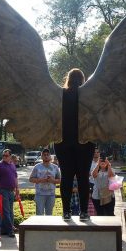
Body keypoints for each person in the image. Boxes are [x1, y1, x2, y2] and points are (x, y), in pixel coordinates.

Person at [54, 68, 95, 221]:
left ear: (68, 79)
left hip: (62, 141)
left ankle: (66, 212)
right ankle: (84, 212)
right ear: (82, 79)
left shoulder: (60, 95)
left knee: (66, 177)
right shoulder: (88, 96)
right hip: (85, 141)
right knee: (83, 177)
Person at [0, 149, 19, 238]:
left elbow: (15, 178)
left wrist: (17, 190)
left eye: (6, 156)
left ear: (10, 156)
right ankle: (10, 230)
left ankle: (4, 230)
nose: (4, 157)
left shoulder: (12, 165)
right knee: (6, 211)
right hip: (2, 190)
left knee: (10, 211)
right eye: (3, 156)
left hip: (11, 191)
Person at [29, 148, 61, 215]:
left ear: (50, 156)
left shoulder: (55, 167)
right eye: (44, 155)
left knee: (49, 215)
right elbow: (31, 179)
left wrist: (53, 180)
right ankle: (39, 226)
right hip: (40, 194)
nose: (46, 156)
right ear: (41, 156)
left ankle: (48, 226)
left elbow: (60, 180)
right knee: (39, 214)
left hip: (51, 195)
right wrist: (41, 180)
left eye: (47, 155)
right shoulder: (37, 167)